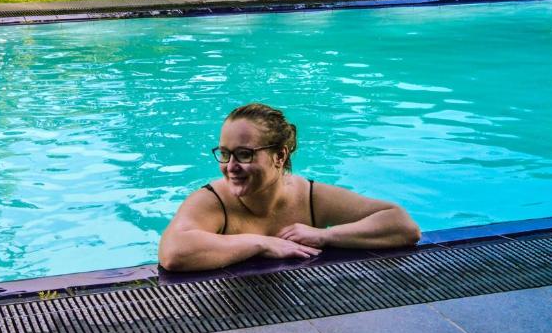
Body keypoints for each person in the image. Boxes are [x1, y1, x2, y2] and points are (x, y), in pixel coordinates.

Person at [159, 103, 420, 271]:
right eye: (225, 154)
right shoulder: (213, 201)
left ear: (279, 156)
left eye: (244, 154)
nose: (231, 166)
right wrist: (260, 243)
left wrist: (324, 236)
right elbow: (173, 253)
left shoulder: (309, 197)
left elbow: (403, 226)